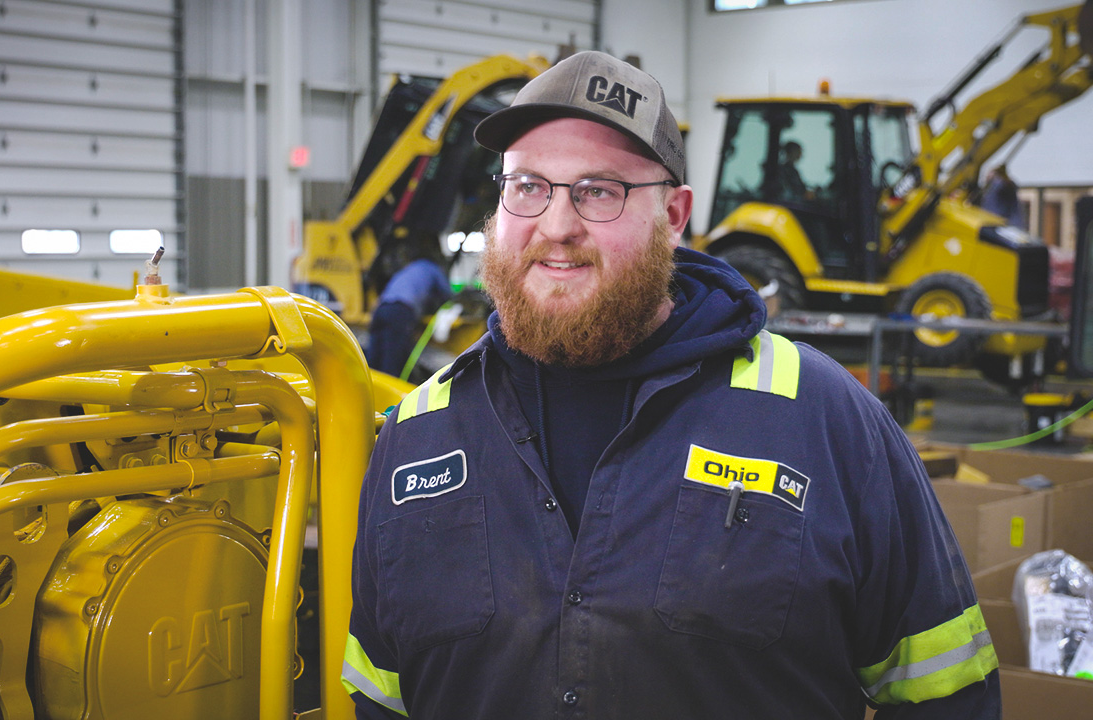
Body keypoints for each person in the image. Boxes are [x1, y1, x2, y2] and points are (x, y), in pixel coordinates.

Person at [344, 51, 999, 719]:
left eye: (599, 190)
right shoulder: (415, 436)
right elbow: (378, 697)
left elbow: (945, 693)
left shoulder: (826, 422)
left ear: (675, 214)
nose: (558, 225)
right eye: (528, 186)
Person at [365, 244, 452, 377]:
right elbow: (447, 294)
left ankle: (372, 392)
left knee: (374, 360)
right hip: (400, 311)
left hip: (381, 309)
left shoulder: (407, 269)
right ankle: (390, 396)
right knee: (392, 361)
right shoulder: (432, 268)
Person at [980, 165, 1025, 229]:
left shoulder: (999, 185)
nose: (986, 177)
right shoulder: (989, 191)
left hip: (1004, 225)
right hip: (993, 224)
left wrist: (1000, 177)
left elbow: (1006, 185)